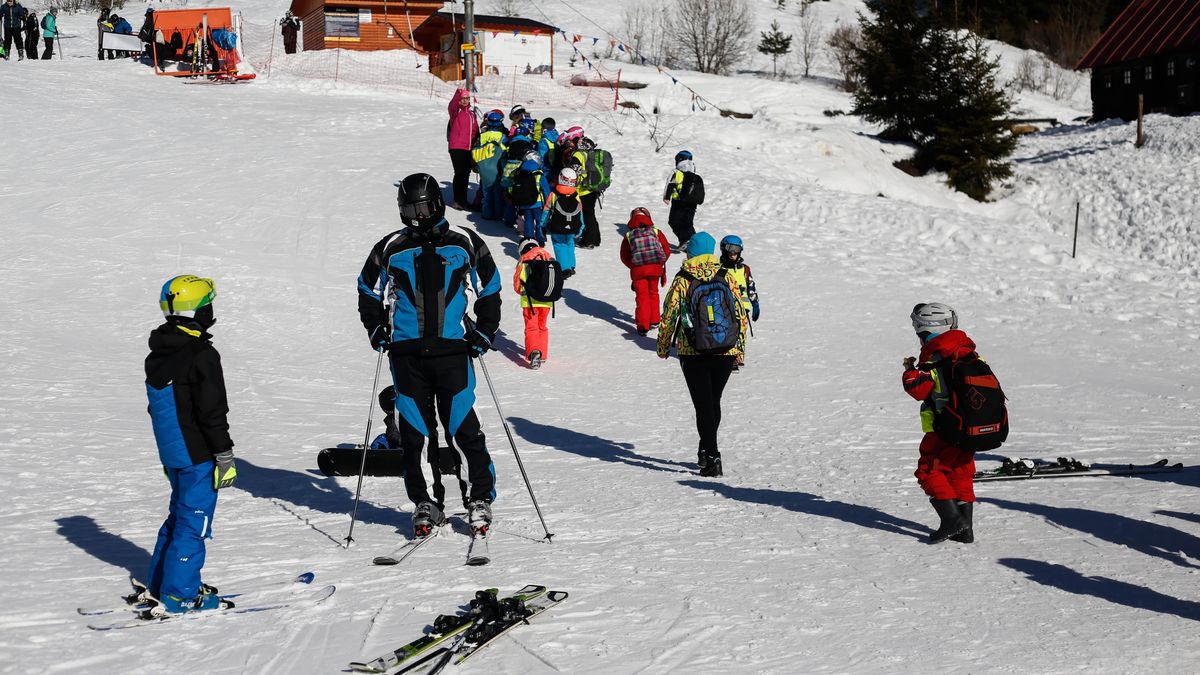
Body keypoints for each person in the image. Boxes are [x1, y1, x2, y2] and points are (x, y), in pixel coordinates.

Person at [357, 173, 501, 539]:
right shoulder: (391, 246)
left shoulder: (464, 241)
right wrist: (377, 330)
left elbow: (491, 287)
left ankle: (478, 498)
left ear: (436, 204)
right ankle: (426, 501)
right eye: (408, 209)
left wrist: (484, 331)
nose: (416, 216)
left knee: (462, 428)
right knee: (416, 433)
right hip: (406, 353)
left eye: (422, 208)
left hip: (453, 351)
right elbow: (367, 289)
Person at [143, 275, 237, 616]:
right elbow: (211, 411)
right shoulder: (200, 354)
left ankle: (161, 583)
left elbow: (162, 409)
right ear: (199, 310)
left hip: (174, 452)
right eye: (208, 305)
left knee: (177, 517)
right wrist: (224, 454)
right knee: (193, 523)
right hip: (197, 453)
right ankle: (179, 595)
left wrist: (169, 457)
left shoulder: (160, 352)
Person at [656, 232, 748, 477]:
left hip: (692, 350)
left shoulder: (683, 279)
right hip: (725, 349)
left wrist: (663, 346)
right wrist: (739, 350)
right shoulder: (726, 275)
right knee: (713, 401)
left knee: (703, 405)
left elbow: (669, 316)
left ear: (691, 253)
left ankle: (713, 456)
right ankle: (705, 447)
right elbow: (739, 315)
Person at [901, 303, 982, 544]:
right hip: (969, 426)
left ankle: (952, 521)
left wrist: (909, 371)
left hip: (945, 427)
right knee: (960, 472)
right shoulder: (966, 350)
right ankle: (965, 529)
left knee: (929, 471)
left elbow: (918, 389)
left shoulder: (935, 355)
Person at [620, 207, 671, 336]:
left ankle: (643, 326)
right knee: (653, 292)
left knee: (641, 296)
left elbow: (624, 256)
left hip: (638, 271)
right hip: (655, 269)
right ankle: (654, 320)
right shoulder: (656, 231)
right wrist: (659, 263)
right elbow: (666, 249)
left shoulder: (628, 235)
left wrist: (633, 265)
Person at [513, 238, 554, 368]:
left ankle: (534, 352)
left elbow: (517, 285)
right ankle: (542, 353)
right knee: (542, 326)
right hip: (547, 300)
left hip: (529, 301)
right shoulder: (548, 257)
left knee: (531, 327)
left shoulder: (524, 260)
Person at [717, 235, 758, 367]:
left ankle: (738, 356)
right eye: (730, 249)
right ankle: (727, 356)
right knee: (727, 332)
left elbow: (750, 287)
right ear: (724, 249)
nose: (733, 253)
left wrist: (755, 303)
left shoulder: (744, 269)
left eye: (737, 249)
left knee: (740, 332)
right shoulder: (719, 269)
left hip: (742, 308)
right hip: (724, 308)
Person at [538, 167, 585, 278]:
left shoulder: (554, 194)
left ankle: (564, 269)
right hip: (573, 226)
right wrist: (581, 226)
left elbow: (546, 211)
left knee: (559, 245)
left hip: (557, 226)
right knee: (569, 244)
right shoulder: (576, 195)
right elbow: (580, 213)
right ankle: (571, 265)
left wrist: (542, 225)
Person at [571, 137, 609, 249]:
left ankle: (588, 241)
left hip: (582, 190)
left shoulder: (578, 155)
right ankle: (595, 239)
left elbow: (575, 172)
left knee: (585, 216)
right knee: (590, 215)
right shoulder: (591, 154)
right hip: (592, 189)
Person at [446, 88, 480, 210]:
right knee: (460, 173)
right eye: (463, 99)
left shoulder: (472, 114)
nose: (465, 101)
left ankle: (463, 200)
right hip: (457, 146)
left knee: (466, 173)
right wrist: (458, 93)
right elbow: (452, 105)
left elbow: (475, 131)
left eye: (467, 98)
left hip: (468, 147)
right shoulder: (455, 112)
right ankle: (458, 200)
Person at [663, 150, 704, 249]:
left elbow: (670, 184)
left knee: (673, 221)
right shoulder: (694, 172)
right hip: (692, 203)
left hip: (679, 202)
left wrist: (666, 197)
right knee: (688, 223)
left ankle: (684, 240)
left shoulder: (677, 172)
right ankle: (695, 245)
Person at [472, 109, 507, 221]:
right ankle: (498, 215)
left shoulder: (482, 136)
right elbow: (506, 151)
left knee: (486, 194)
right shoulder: (503, 137)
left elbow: (475, 150)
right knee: (497, 193)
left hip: (484, 168)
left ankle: (487, 213)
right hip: (497, 168)